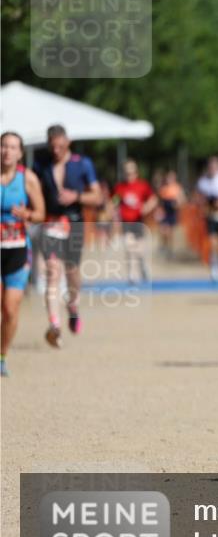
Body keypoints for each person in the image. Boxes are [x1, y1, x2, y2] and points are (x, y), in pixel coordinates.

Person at [32, 124, 103, 347]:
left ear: (67, 142)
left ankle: (73, 305)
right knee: (52, 272)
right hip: (51, 223)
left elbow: (97, 196)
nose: (56, 151)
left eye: (60, 146)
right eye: (52, 146)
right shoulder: (40, 164)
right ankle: (54, 326)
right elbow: (33, 191)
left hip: (74, 223)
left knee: (72, 271)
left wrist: (77, 196)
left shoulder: (82, 164)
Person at [1, 132, 46, 377]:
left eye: (12, 147)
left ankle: (2, 355)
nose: (7, 151)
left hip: (17, 248)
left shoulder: (28, 179)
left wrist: (27, 214)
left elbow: (41, 213)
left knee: (10, 308)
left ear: (20, 153)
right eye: (4, 146)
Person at [113, 159, 158, 284]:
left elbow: (153, 199)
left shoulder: (142, 185)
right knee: (129, 248)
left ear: (136, 173)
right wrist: (114, 213)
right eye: (127, 173)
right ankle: (132, 275)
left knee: (140, 250)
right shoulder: (120, 187)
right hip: (126, 222)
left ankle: (143, 267)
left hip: (139, 221)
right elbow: (115, 202)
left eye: (132, 172)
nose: (129, 175)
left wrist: (146, 208)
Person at [156, 169, 185, 258]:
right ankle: (164, 245)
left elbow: (182, 200)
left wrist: (177, 204)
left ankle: (170, 249)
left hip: (172, 212)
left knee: (169, 232)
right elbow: (159, 201)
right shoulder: (163, 188)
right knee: (162, 230)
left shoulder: (177, 188)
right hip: (164, 211)